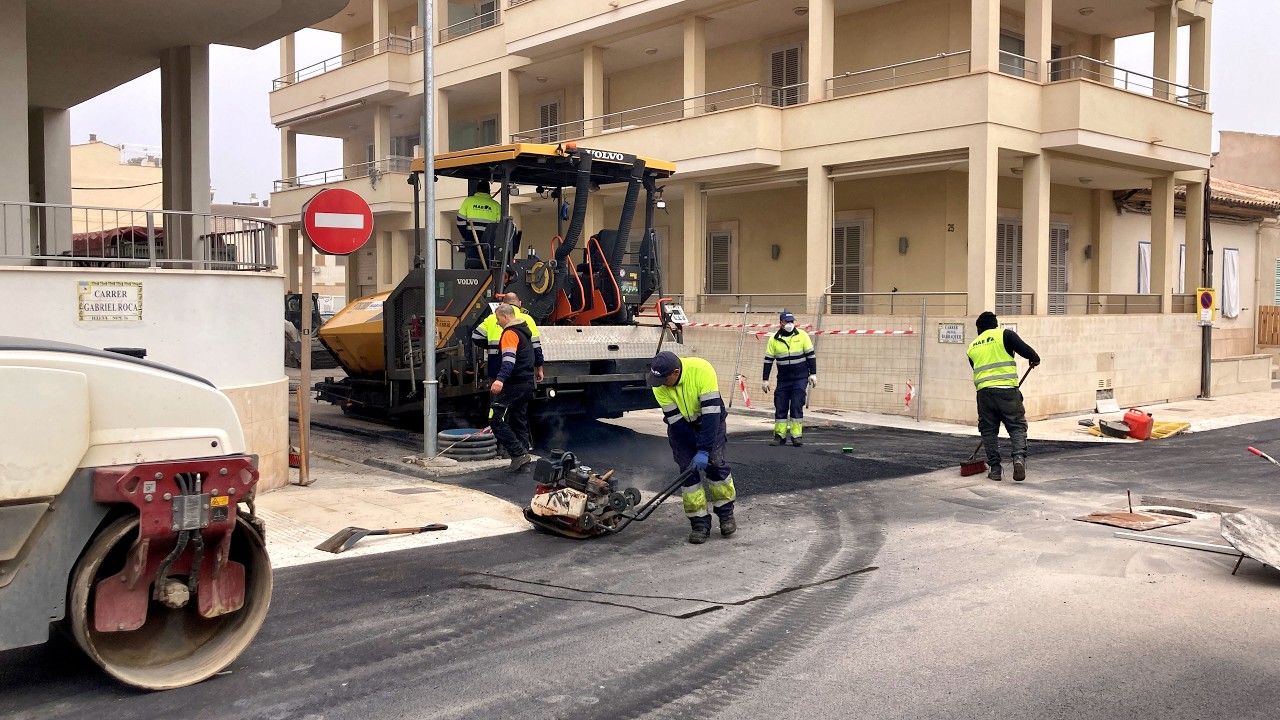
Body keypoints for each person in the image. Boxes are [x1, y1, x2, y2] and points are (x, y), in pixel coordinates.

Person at [648, 351, 738, 544]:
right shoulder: (659, 386)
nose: (661, 384)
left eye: (664, 379)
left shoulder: (702, 370)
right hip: (682, 427)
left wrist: (704, 449)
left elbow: (712, 415)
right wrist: (694, 450)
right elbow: (677, 423)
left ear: (676, 372)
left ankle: (726, 515)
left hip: (710, 421)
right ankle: (699, 523)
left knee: (715, 464)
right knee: (688, 472)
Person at [966, 311, 1040, 482]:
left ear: (979, 328)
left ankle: (995, 469)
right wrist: (1034, 359)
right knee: (1016, 426)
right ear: (995, 324)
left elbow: (976, 368)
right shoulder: (1005, 335)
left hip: (984, 394)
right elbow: (1030, 353)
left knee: (988, 430)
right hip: (1007, 392)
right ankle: (1018, 458)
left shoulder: (972, 347)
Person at [489, 304, 537, 472]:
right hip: (527, 383)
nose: (497, 323)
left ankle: (518, 454)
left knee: (495, 417)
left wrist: (500, 379)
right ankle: (523, 464)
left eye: (498, 319)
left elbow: (509, 360)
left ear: (505, 317)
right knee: (518, 420)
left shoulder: (510, 333)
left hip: (514, 383)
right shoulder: (524, 332)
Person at [761, 311, 817, 447]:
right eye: (787, 322)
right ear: (781, 323)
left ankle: (796, 436)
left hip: (800, 378)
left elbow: (810, 356)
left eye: (792, 321)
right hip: (784, 379)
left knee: (797, 405)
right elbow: (768, 360)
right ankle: (779, 436)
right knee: (780, 405)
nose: (790, 324)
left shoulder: (802, 335)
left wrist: (813, 374)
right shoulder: (774, 339)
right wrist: (765, 379)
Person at [472, 292, 544, 383]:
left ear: (503, 304)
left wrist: (491, 346)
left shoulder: (492, 318)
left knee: (498, 395)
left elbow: (476, 336)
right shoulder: (527, 319)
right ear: (520, 303)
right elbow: (536, 346)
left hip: (496, 369)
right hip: (521, 371)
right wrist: (539, 368)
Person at [456, 181, 500, 269]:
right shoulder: (496, 205)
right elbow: (499, 228)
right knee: (488, 266)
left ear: (477, 190)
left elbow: (460, 221)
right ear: (488, 190)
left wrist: (466, 235)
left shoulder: (468, 201)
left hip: (472, 241)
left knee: (472, 266)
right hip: (489, 243)